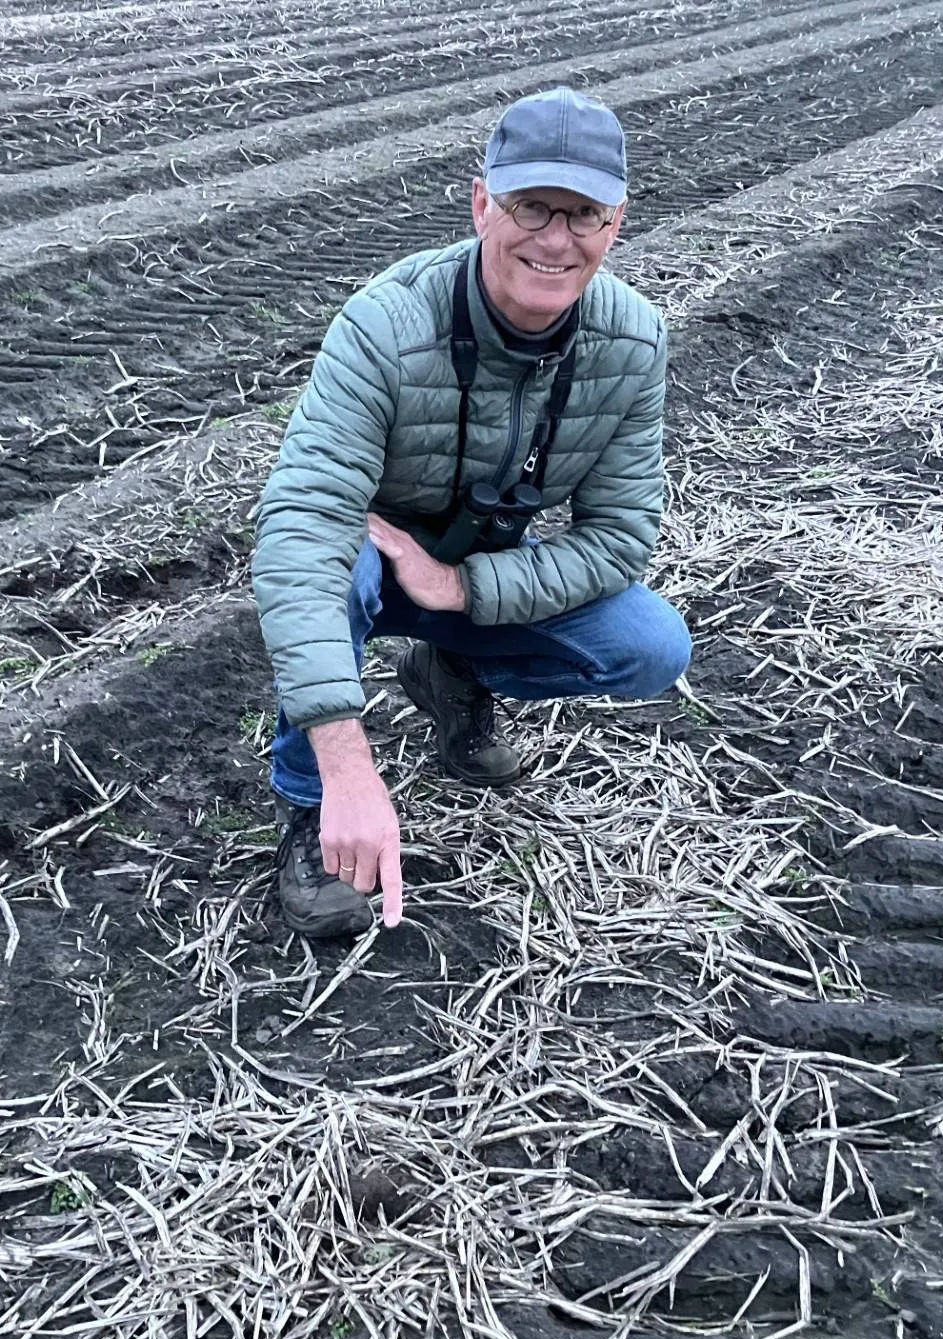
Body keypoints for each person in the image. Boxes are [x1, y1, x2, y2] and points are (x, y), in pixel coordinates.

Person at [251, 88, 692, 939]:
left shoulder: (632, 342)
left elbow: (620, 537)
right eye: (532, 207)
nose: (556, 239)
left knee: (650, 647)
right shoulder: (387, 325)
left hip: (472, 573)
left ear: (617, 222)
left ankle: (453, 671)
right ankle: (309, 809)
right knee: (337, 568)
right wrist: (347, 768)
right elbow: (304, 526)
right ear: (484, 203)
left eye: (584, 214)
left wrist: (461, 589)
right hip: (371, 565)